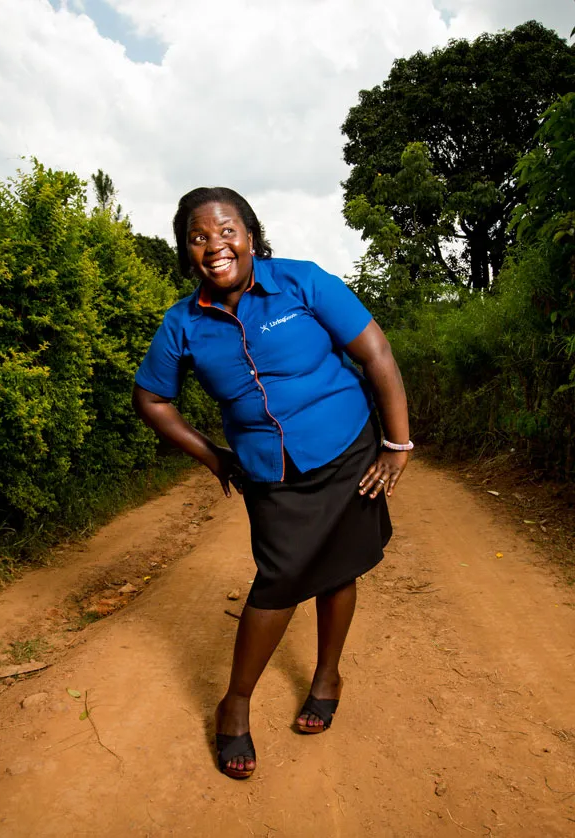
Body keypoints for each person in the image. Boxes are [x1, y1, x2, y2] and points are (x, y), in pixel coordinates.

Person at [132, 187, 411, 780]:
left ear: (251, 235)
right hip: (270, 472)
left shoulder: (303, 283)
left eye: (226, 230)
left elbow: (377, 353)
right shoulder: (183, 323)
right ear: (187, 252)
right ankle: (235, 702)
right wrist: (214, 457)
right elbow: (151, 398)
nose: (215, 246)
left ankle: (328, 673)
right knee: (280, 580)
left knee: (343, 563)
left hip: (346, 448)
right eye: (199, 237)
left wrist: (397, 443)